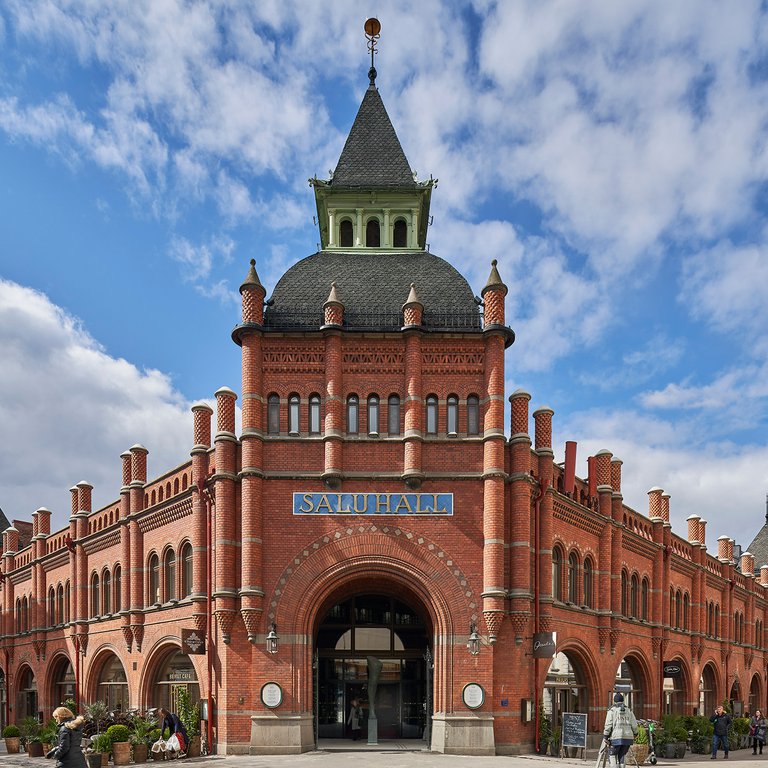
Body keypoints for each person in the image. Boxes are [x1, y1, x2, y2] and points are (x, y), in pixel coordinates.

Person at [602, 693, 638, 768]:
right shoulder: (629, 710)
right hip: (628, 738)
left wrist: (605, 736)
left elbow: (608, 724)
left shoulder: (612, 710)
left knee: (612, 755)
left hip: (616, 737)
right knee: (622, 755)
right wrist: (635, 733)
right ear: (623, 701)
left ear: (614, 701)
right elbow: (634, 724)